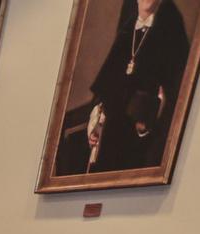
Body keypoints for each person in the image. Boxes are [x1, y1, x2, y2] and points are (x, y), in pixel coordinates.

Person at [57, 0, 192, 176]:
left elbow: (171, 99)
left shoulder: (170, 24)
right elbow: (110, 81)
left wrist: (145, 125)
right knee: (67, 128)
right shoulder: (130, 21)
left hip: (140, 131)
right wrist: (96, 117)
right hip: (113, 120)